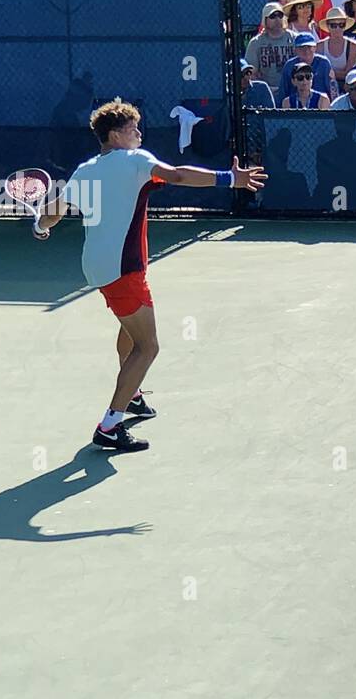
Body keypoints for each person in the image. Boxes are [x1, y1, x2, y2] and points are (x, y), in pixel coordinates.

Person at [34, 99, 264, 453]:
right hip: (123, 269)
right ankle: (110, 425)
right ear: (114, 135)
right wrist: (230, 178)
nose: (140, 134)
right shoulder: (136, 162)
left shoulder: (85, 170)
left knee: (130, 328)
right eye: (133, 129)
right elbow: (179, 175)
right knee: (148, 345)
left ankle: (134, 394)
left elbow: (55, 213)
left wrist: (40, 226)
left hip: (96, 266)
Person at [245, 3, 297, 104]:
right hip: (268, 92)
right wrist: (266, 89)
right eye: (273, 16)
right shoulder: (256, 43)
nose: (277, 19)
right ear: (265, 20)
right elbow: (251, 73)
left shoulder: (294, 38)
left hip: (293, 89)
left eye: (280, 15)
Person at [280, 31, 338, 102]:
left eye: (309, 47)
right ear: (295, 50)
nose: (306, 51)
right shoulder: (289, 66)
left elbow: (332, 89)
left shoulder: (324, 63)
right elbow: (283, 92)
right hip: (295, 107)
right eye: (302, 47)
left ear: (315, 48)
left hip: (321, 105)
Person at [317, 7, 356, 86]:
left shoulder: (353, 46)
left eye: (341, 25)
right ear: (328, 26)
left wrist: (329, 73)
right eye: (333, 25)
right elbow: (319, 73)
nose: (338, 28)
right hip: (325, 86)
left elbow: (349, 74)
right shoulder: (320, 46)